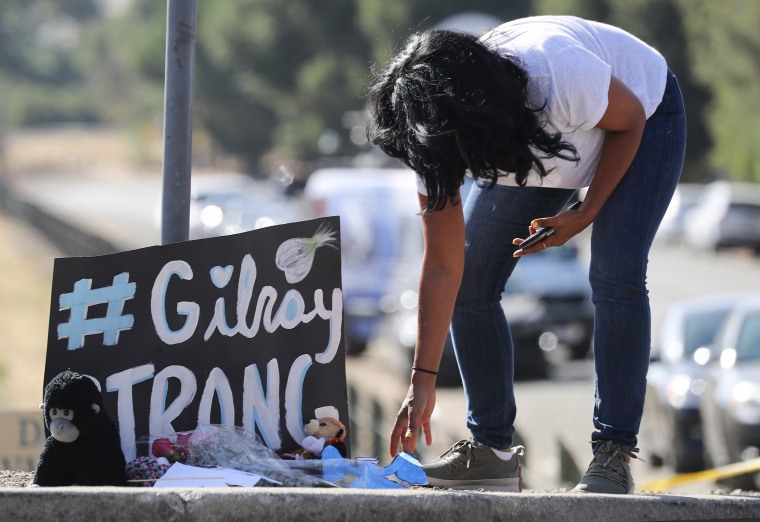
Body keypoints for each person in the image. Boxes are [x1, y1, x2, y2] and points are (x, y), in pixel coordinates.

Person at [365, 15, 686, 494]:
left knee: (614, 273)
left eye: (455, 152)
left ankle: (613, 454)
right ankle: (491, 451)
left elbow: (631, 119)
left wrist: (586, 211)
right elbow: (443, 266)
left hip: (643, 118)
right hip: (546, 138)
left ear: (473, 117)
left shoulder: (555, 73)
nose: (455, 169)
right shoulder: (432, 133)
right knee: (472, 279)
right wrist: (422, 379)